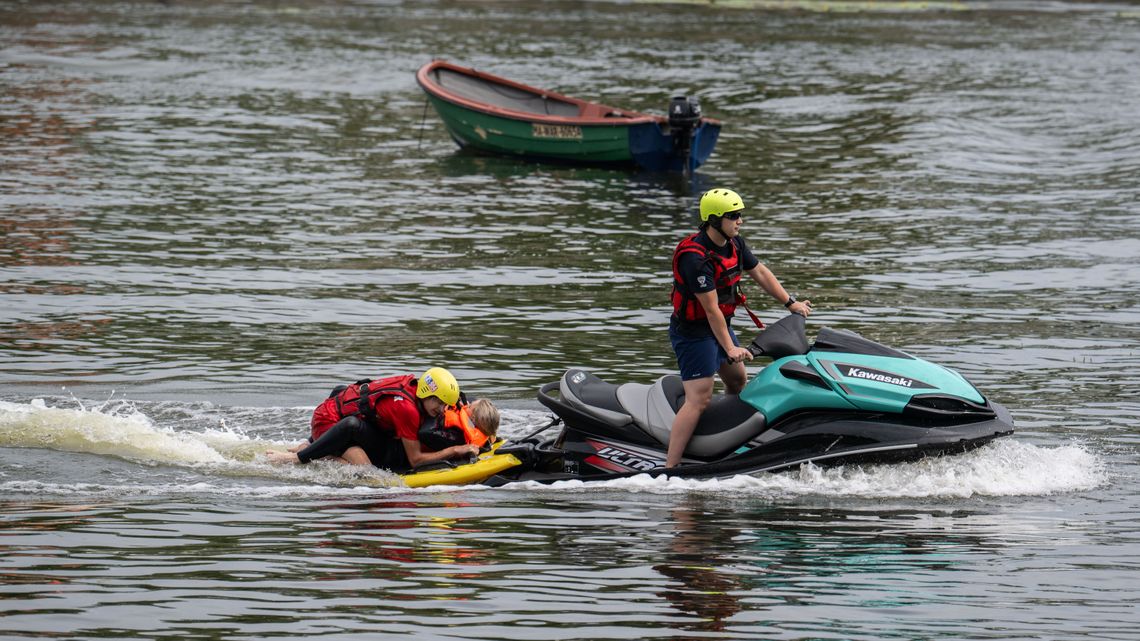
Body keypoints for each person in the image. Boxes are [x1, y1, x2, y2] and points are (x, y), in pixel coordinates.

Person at [666, 188, 812, 468]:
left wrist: (790, 303)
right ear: (713, 219)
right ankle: (670, 467)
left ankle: (725, 442)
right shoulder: (695, 258)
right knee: (699, 397)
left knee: (736, 381)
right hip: (693, 334)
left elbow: (760, 272)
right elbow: (710, 309)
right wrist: (730, 346)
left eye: (740, 215)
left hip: (720, 326)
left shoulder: (735, 244)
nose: (740, 221)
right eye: (733, 216)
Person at [265, 366, 480, 471]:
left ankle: (311, 443)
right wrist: (454, 450)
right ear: (427, 394)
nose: (443, 410)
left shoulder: (417, 388)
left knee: (353, 417)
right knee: (367, 472)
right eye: (440, 403)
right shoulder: (407, 410)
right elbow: (415, 460)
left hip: (340, 416)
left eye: (446, 405)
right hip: (330, 424)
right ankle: (302, 456)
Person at [417, 398, 501, 452]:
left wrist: (441, 411)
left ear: (473, 419)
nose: (466, 405)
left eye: (469, 406)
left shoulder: (458, 436)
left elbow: (424, 432)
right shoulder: (485, 431)